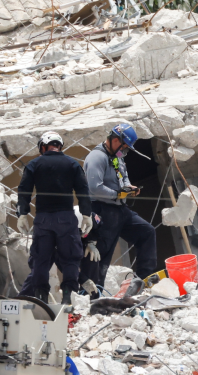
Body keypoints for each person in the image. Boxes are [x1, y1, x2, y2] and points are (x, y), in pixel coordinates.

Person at [16, 131, 92, 304]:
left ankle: (41, 297)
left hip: (43, 219)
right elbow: (83, 191)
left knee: (41, 258)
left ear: (43, 147)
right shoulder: (72, 164)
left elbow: (24, 191)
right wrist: (86, 214)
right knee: (70, 257)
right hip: (66, 218)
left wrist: (22, 214)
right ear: (60, 146)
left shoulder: (34, 164)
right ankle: (66, 297)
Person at [82, 123, 156, 291]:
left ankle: (143, 279)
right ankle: (92, 293)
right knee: (101, 253)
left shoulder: (117, 157)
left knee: (146, 232)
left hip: (120, 209)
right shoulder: (97, 157)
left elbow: (124, 178)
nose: (125, 150)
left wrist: (129, 188)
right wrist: (117, 194)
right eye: (124, 146)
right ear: (116, 140)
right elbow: (94, 187)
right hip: (102, 209)